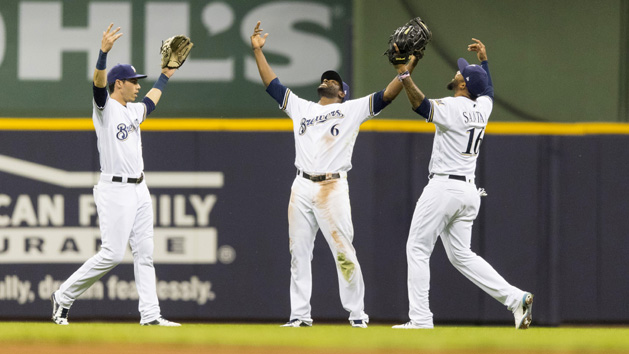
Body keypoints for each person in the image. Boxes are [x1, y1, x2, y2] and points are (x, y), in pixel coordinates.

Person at [250, 21, 415, 328]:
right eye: (326, 78)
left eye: (334, 81)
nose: (328, 80)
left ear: (341, 92)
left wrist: (406, 70)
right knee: (298, 253)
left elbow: (387, 96)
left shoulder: (351, 109)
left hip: (332, 187)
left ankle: (357, 315)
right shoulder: (301, 107)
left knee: (343, 253)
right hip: (301, 186)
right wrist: (258, 51)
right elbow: (272, 84)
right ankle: (300, 316)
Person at [390, 38, 534, 329]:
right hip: (468, 192)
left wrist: (403, 73)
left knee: (417, 248)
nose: (457, 72)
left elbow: (420, 105)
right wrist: (484, 62)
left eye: (461, 72)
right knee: (461, 256)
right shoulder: (482, 109)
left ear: (464, 85)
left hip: (444, 188)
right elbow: (489, 90)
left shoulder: (452, 107)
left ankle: (420, 320)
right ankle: (515, 298)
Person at [50, 23, 180, 326]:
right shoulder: (104, 108)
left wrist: (165, 77)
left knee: (145, 254)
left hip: (139, 189)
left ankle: (150, 316)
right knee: (110, 254)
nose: (138, 86)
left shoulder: (134, 110)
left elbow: (151, 101)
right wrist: (102, 53)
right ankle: (63, 296)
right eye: (134, 81)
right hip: (115, 189)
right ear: (118, 83)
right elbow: (97, 84)